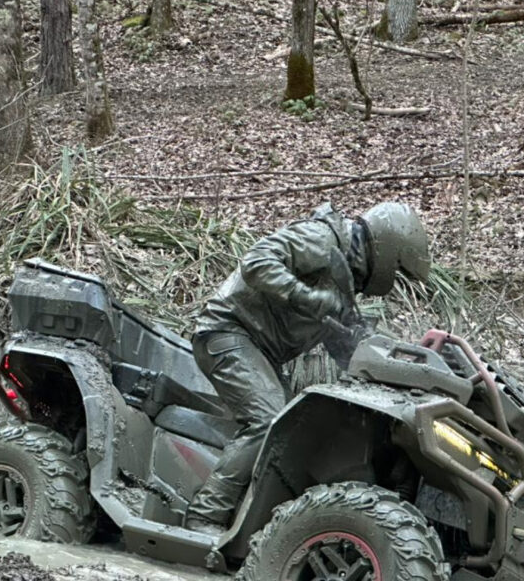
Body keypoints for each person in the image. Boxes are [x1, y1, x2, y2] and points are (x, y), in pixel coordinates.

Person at [185, 201, 431, 535]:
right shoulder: (323, 240)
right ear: (388, 249)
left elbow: (347, 342)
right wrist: (304, 295)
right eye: (398, 268)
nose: (393, 277)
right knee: (267, 422)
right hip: (228, 331)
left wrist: (401, 364)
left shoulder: (343, 275)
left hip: (258, 349)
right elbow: (256, 261)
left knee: (292, 429)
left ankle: (249, 526)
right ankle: (204, 516)